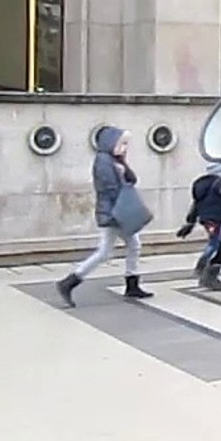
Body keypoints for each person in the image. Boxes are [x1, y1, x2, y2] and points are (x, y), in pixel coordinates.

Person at [56, 125, 153, 308]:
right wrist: (122, 180)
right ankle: (69, 282)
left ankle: (132, 284)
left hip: (118, 211)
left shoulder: (114, 160)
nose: (125, 147)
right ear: (110, 142)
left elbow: (132, 180)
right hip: (113, 213)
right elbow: (111, 189)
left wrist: (124, 166)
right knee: (105, 251)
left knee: (133, 245)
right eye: (122, 143)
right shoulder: (103, 162)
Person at [176, 161, 221, 277]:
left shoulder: (201, 183)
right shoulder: (218, 183)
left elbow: (196, 203)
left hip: (205, 218)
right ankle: (201, 266)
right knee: (214, 243)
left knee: (219, 240)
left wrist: (191, 220)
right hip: (215, 217)